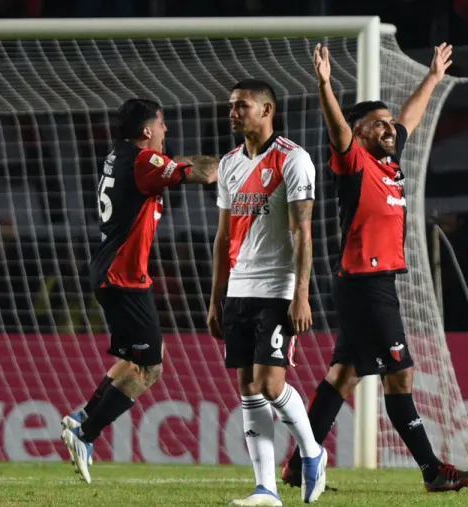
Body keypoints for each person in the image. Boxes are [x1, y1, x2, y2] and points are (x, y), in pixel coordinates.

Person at [280, 42, 468, 492]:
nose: (391, 128)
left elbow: (410, 117)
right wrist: (325, 85)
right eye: (380, 124)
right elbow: (336, 127)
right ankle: (432, 470)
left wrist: (431, 78)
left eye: (389, 123)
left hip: (374, 281)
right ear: (361, 131)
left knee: (343, 375)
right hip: (366, 284)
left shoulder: (389, 163)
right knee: (400, 373)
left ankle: (296, 465)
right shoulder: (353, 162)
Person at [60, 98, 219, 484]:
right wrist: (239, 157)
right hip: (122, 276)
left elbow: (176, 164)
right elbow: (207, 175)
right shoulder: (144, 163)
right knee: (150, 366)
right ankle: (85, 432)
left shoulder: (121, 155)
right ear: (147, 130)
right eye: (162, 125)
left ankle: (83, 418)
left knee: (149, 357)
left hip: (122, 274)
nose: (166, 131)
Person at [207, 79, 326, 507]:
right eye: (231, 106)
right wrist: (215, 298)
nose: (233, 112)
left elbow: (303, 232)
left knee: (270, 384)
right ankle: (266, 489)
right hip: (239, 288)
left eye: (242, 106)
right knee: (247, 389)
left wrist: (301, 294)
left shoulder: (294, 160)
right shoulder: (228, 164)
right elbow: (222, 238)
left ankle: (312, 452)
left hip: (278, 288)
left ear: (267, 110)